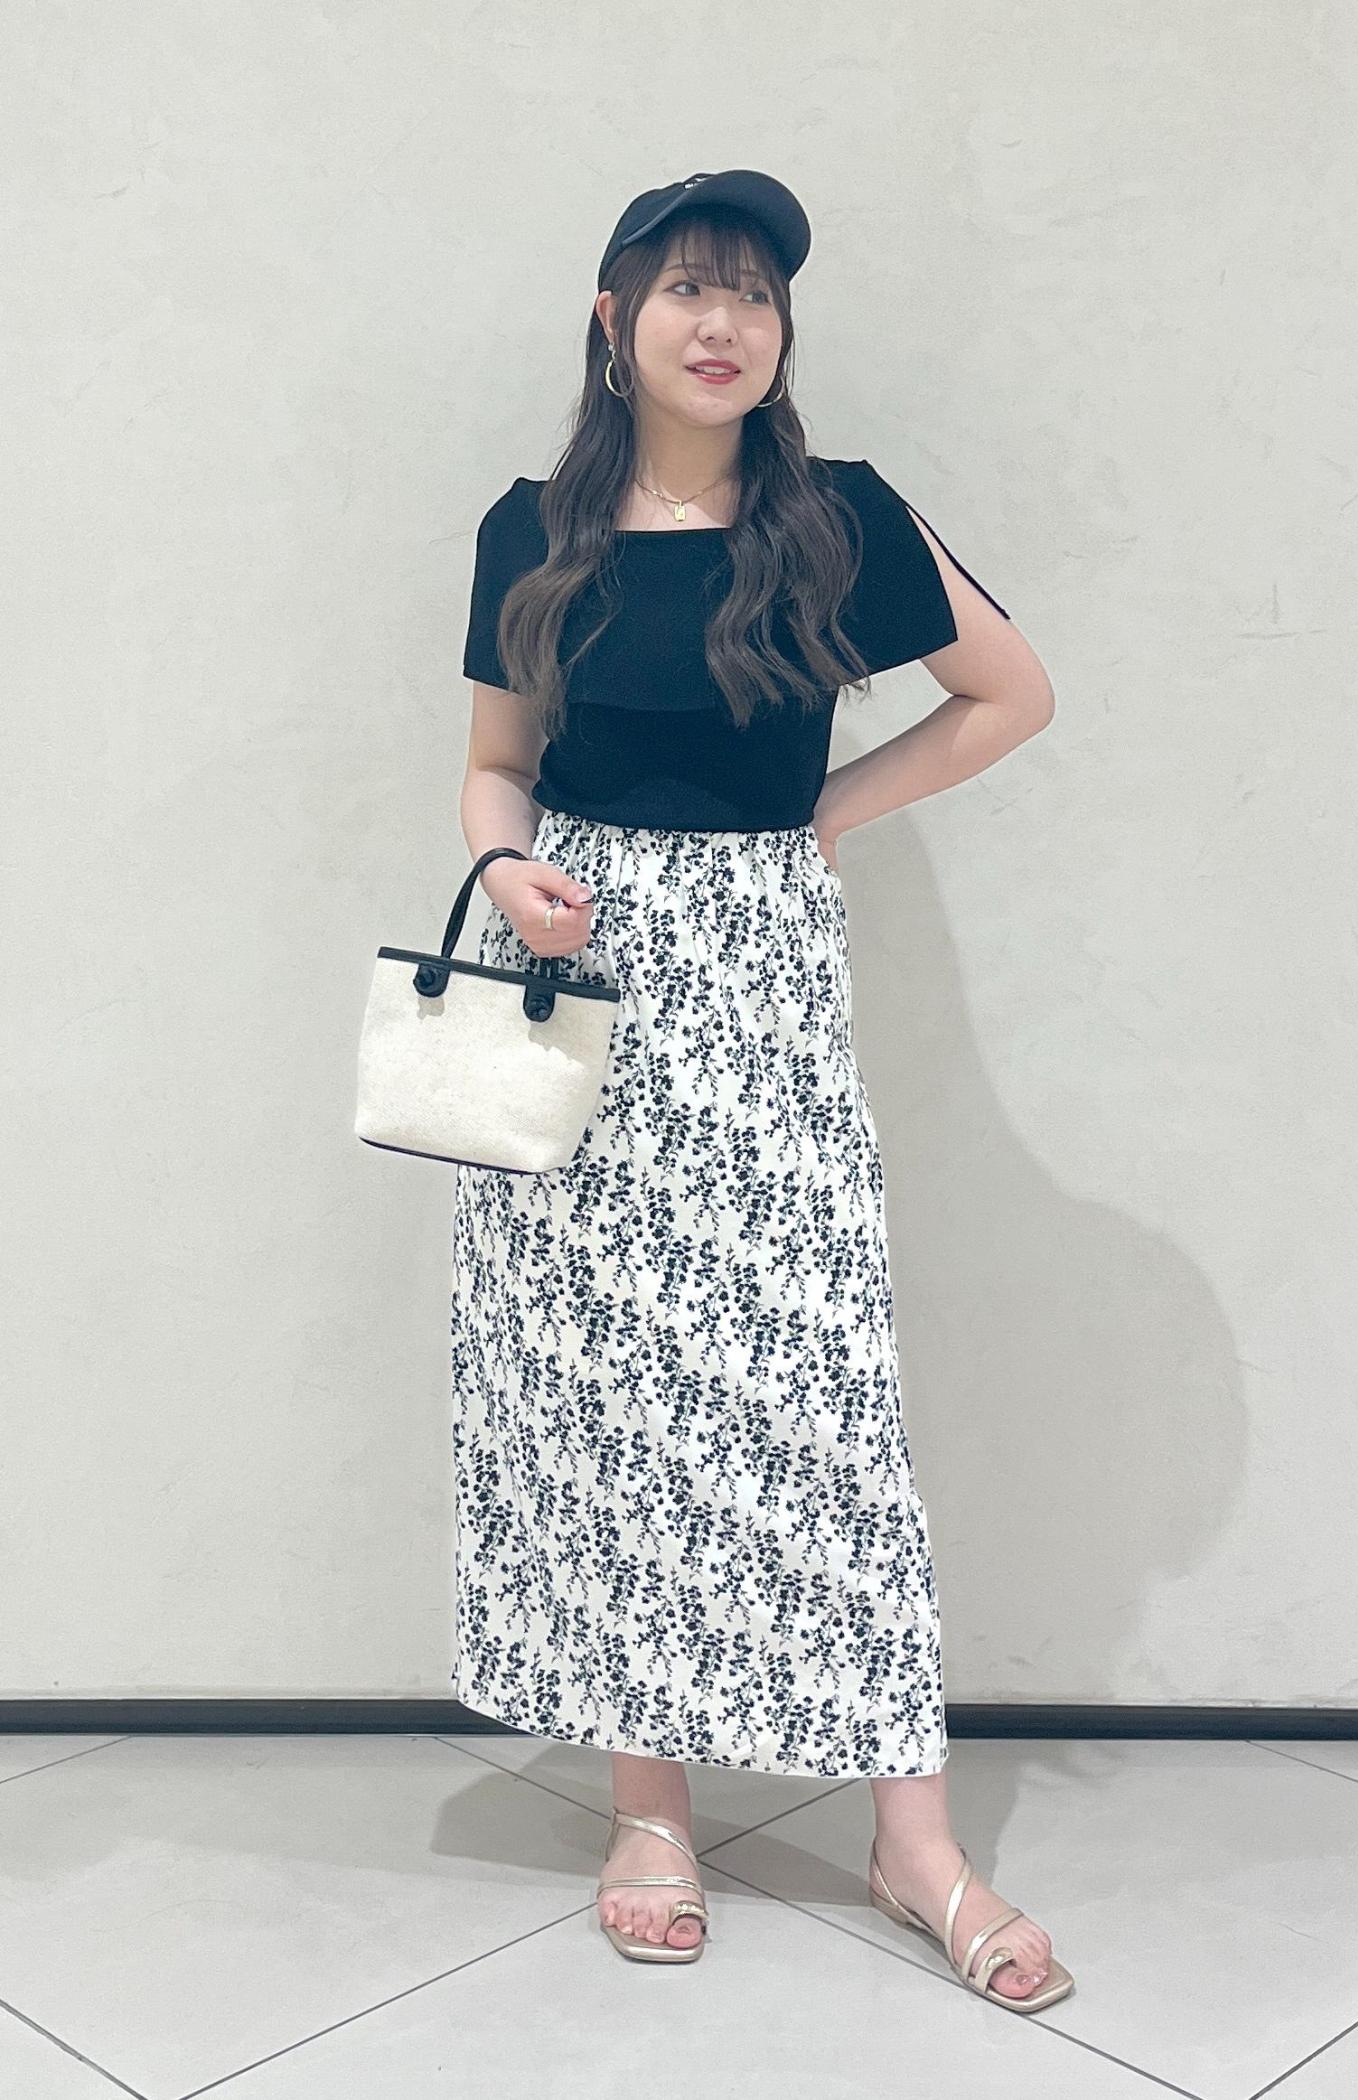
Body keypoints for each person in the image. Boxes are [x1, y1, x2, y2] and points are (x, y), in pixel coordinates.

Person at [450, 170, 1071, 2010]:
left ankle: (913, 1840)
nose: (721, 323)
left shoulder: (842, 519)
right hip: (574, 979)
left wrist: (815, 819)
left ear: (783, 335)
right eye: (686, 290)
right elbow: (491, 766)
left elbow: (1010, 694)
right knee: (614, 1393)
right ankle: (650, 1811)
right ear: (613, 320)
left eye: (753, 296)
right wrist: (506, 865)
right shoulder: (530, 531)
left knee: (822, 1397)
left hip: (763, 983)